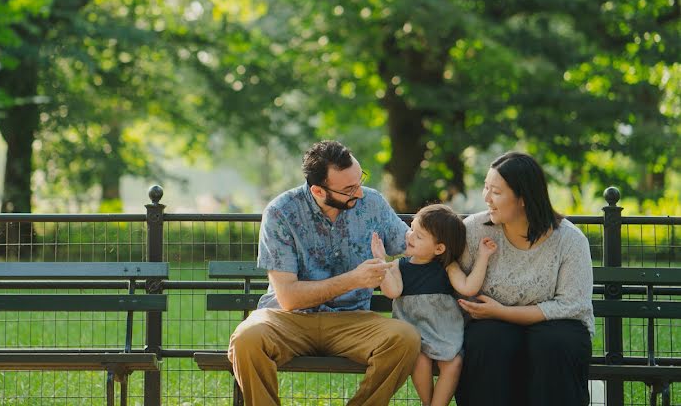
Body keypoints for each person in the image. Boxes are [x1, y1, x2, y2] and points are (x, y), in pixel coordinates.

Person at [228, 140, 421, 406]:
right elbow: (288, 298)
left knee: (405, 338)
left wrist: (462, 230)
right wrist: (353, 279)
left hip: (352, 321)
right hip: (288, 320)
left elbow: (412, 242)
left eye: (359, 181)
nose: (360, 193)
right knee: (246, 339)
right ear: (318, 190)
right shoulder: (281, 212)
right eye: (349, 189)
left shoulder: (372, 203)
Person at [455, 151, 594, 406]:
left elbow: (571, 305)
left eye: (496, 192)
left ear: (523, 198)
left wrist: (501, 312)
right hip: (491, 326)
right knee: (488, 340)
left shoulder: (570, 240)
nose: (486, 198)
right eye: (486, 188)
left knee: (553, 343)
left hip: (557, 326)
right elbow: (451, 269)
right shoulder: (474, 230)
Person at [374, 203, 497, 406]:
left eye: (418, 236)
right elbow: (392, 291)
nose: (410, 236)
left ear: (439, 248)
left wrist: (483, 257)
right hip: (413, 330)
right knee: (419, 359)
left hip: (443, 330)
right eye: (411, 228)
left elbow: (468, 288)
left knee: (454, 362)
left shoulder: (448, 266)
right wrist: (381, 262)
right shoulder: (398, 265)